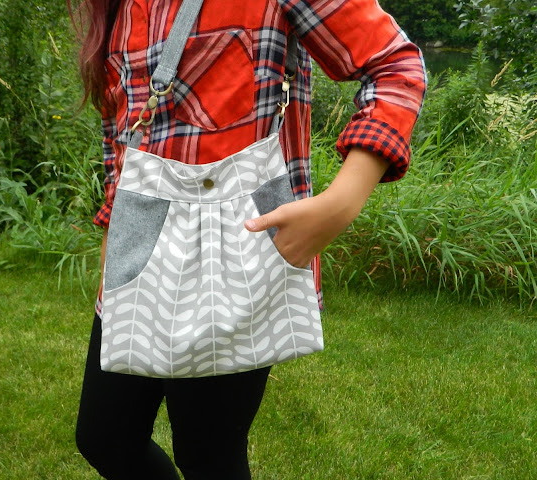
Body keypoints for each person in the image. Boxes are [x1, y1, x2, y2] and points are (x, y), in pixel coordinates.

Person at [69, 0, 426, 478]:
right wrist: (115, 231)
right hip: (136, 258)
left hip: (238, 260)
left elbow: (395, 66)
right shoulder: (122, 6)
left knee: (208, 456)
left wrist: (339, 205)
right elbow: (125, 133)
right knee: (106, 437)